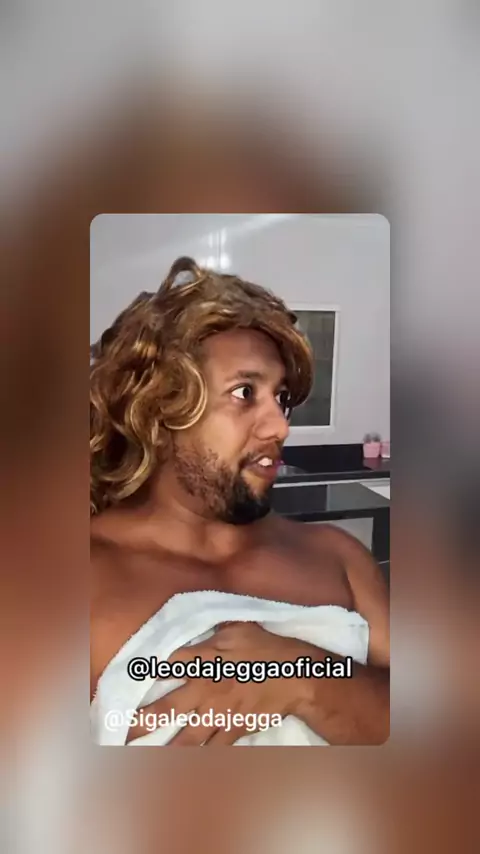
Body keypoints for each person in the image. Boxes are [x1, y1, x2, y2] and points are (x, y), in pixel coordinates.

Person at [90, 256, 390, 745]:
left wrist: (306, 679)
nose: (280, 427)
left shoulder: (341, 558)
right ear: (158, 413)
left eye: (281, 398)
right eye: (245, 392)